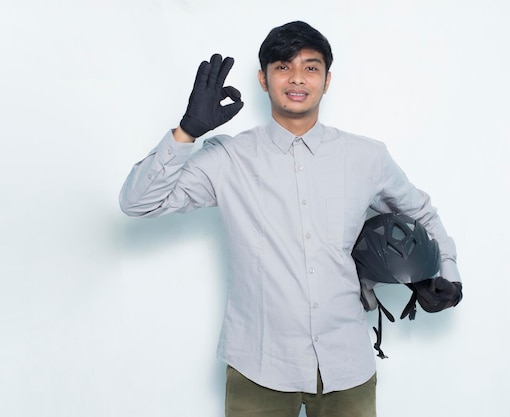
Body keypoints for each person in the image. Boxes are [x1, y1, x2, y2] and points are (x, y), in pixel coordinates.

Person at [119, 20, 461, 417]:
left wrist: (446, 274)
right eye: (283, 66)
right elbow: (137, 203)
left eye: (311, 67)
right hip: (258, 367)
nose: (297, 78)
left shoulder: (367, 157)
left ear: (327, 80)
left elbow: (420, 212)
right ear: (263, 79)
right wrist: (186, 132)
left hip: (346, 366)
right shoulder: (228, 159)